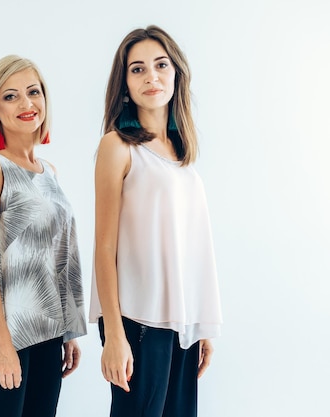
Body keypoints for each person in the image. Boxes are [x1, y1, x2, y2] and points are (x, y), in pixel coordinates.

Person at [90, 26, 223, 417]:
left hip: (178, 324)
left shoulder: (181, 153)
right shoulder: (116, 146)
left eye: (161, 65)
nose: (152, 76)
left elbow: (189, 247)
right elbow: (104, 246)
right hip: (137, 320)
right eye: (138, 69)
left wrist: (195, 323)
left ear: (176, 73)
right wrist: (113, 333)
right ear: (124, 83)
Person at [0, 55, 87, 417]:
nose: (27, 103)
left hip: (46, 334)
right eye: (12, 96)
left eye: (33, 92)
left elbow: (58, 257)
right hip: (2, 340)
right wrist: (2, 346)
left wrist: (67, 332)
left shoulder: (50, 171)